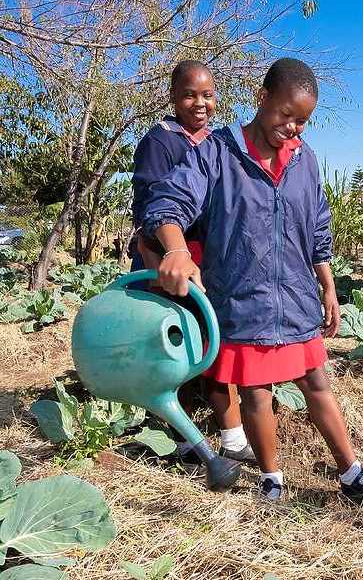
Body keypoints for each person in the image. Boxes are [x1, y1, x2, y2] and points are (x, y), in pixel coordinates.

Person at [140, 57, 363, 501]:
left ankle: (352, 474)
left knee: (317, 382)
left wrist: (327, 287)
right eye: (286, 116)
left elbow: (317, 227)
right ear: (261, 99)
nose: (293, 129)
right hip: (243, 299)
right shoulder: (218, 153)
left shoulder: (305, 159)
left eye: (302, 122)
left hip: (297, 296)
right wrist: (177, 249)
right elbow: (168, 204)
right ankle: (272, 482)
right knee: (256, 393)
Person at [131, 60, 255, 464]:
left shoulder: (219, 144)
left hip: (211, 258)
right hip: (172, 257)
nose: (199, 103)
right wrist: (162, 261)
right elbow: (152, 208)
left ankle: (232, 438)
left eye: (207, 95)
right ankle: (184, 440)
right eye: (189, 94)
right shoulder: (161, 141)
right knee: (178, 348)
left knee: (213, 344)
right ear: (172, 97)